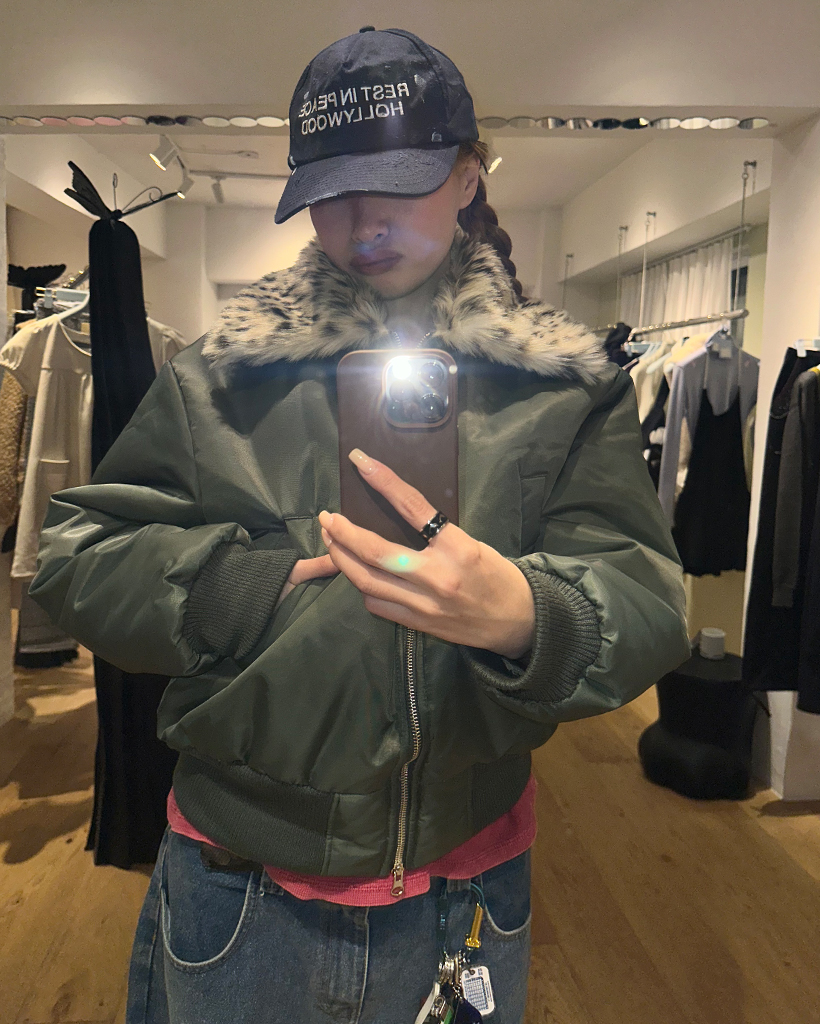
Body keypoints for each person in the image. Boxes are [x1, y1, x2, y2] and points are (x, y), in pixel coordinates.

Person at [31, 26, 690, 1024]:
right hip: (241, 879)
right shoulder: (220, 377)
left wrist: (527, 614)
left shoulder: (560, 387)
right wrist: (223, 587)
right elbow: (80, 554)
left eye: (398, 183)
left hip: (466, 889)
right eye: (331, 191)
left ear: (468, 176)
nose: (361, 221)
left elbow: (645, 594)